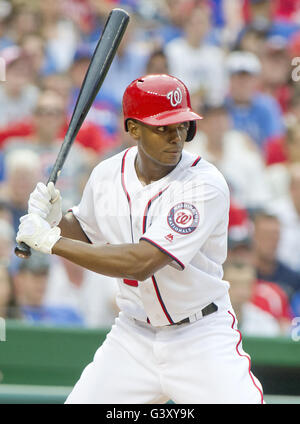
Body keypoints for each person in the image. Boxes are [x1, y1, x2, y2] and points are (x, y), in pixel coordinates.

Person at [16, 74, 264, 404]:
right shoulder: (107, 174)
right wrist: (56, 221)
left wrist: (51, 242)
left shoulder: (204, 184)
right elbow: (89, 233)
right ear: (133, 128)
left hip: (199, 335)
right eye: (163, 127)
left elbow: (141, 263)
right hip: (133, 335)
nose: (176, 137)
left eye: (182, 126)